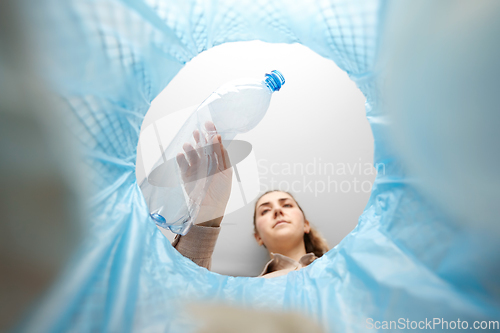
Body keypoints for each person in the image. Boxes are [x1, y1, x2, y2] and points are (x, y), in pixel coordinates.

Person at [172, 122, 329, 278]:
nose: (277, 211)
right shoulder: (244, 293)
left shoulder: (344, 267)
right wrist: (207, 212)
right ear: (258, 237)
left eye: (287, 205)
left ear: (306, 225)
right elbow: (180, 292)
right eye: (265, 210)